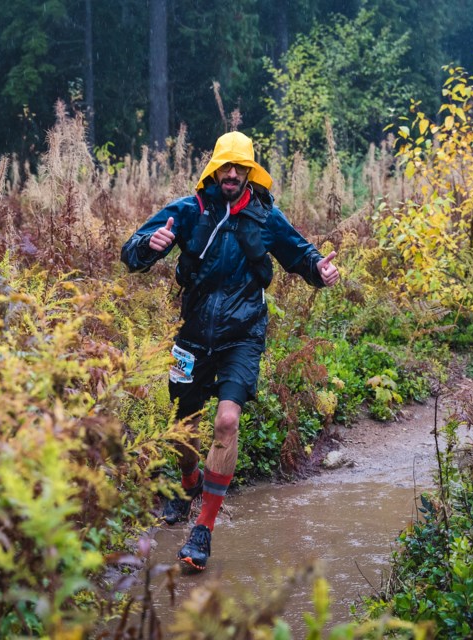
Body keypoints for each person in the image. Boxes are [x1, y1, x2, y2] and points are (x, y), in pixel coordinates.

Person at [120, 131, 340, 571]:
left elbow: (301, 255)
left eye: (240, 167)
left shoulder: (265, 217)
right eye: (226, 166)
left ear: (250, 173)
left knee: (226, 420)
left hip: (243, 334)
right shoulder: (188, 211)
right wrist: (149, 246)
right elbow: (131, 252)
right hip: (192, 336)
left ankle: (202, 531)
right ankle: (188, 483)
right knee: (182, 427)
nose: (232, 174)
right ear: (214, 170)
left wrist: (320, 269)